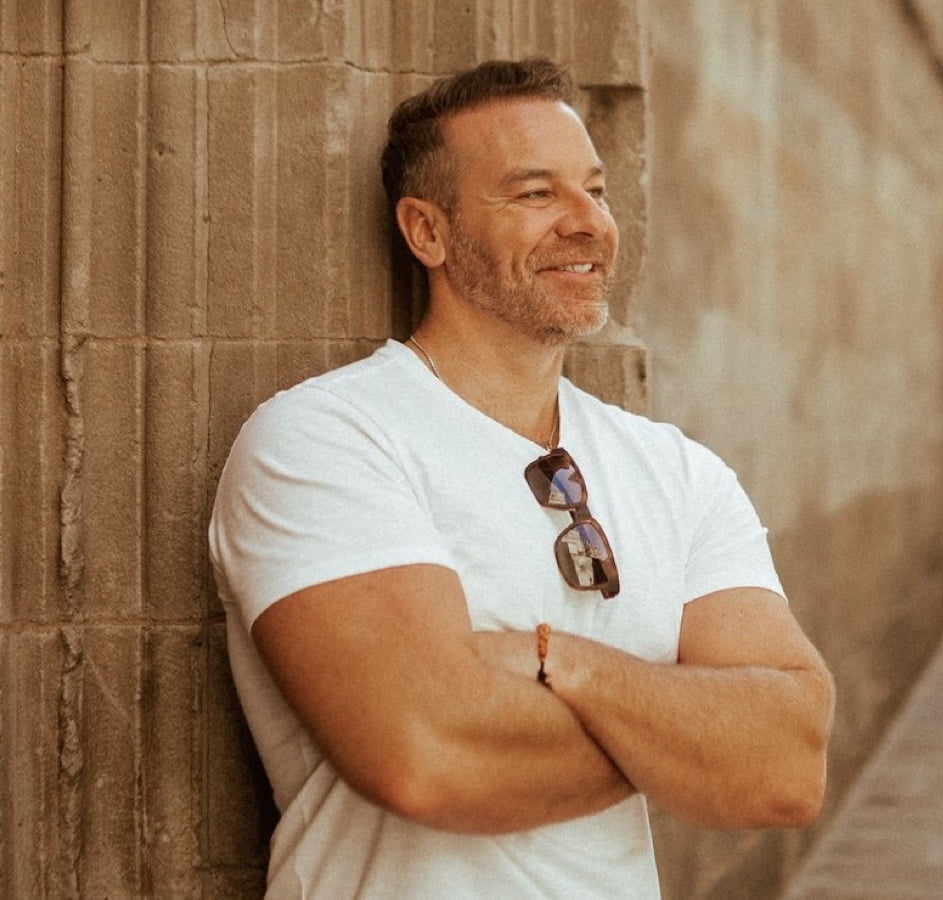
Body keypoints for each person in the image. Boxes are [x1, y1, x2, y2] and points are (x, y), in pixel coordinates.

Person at [209, 57, 834, 899]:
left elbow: (788, 762)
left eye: (597, 190)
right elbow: (432, 756)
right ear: (425, 231)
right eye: (536, 194)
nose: (587, 224)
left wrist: (559, 662)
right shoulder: (328, 440)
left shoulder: (678, 471)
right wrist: (686, 736)